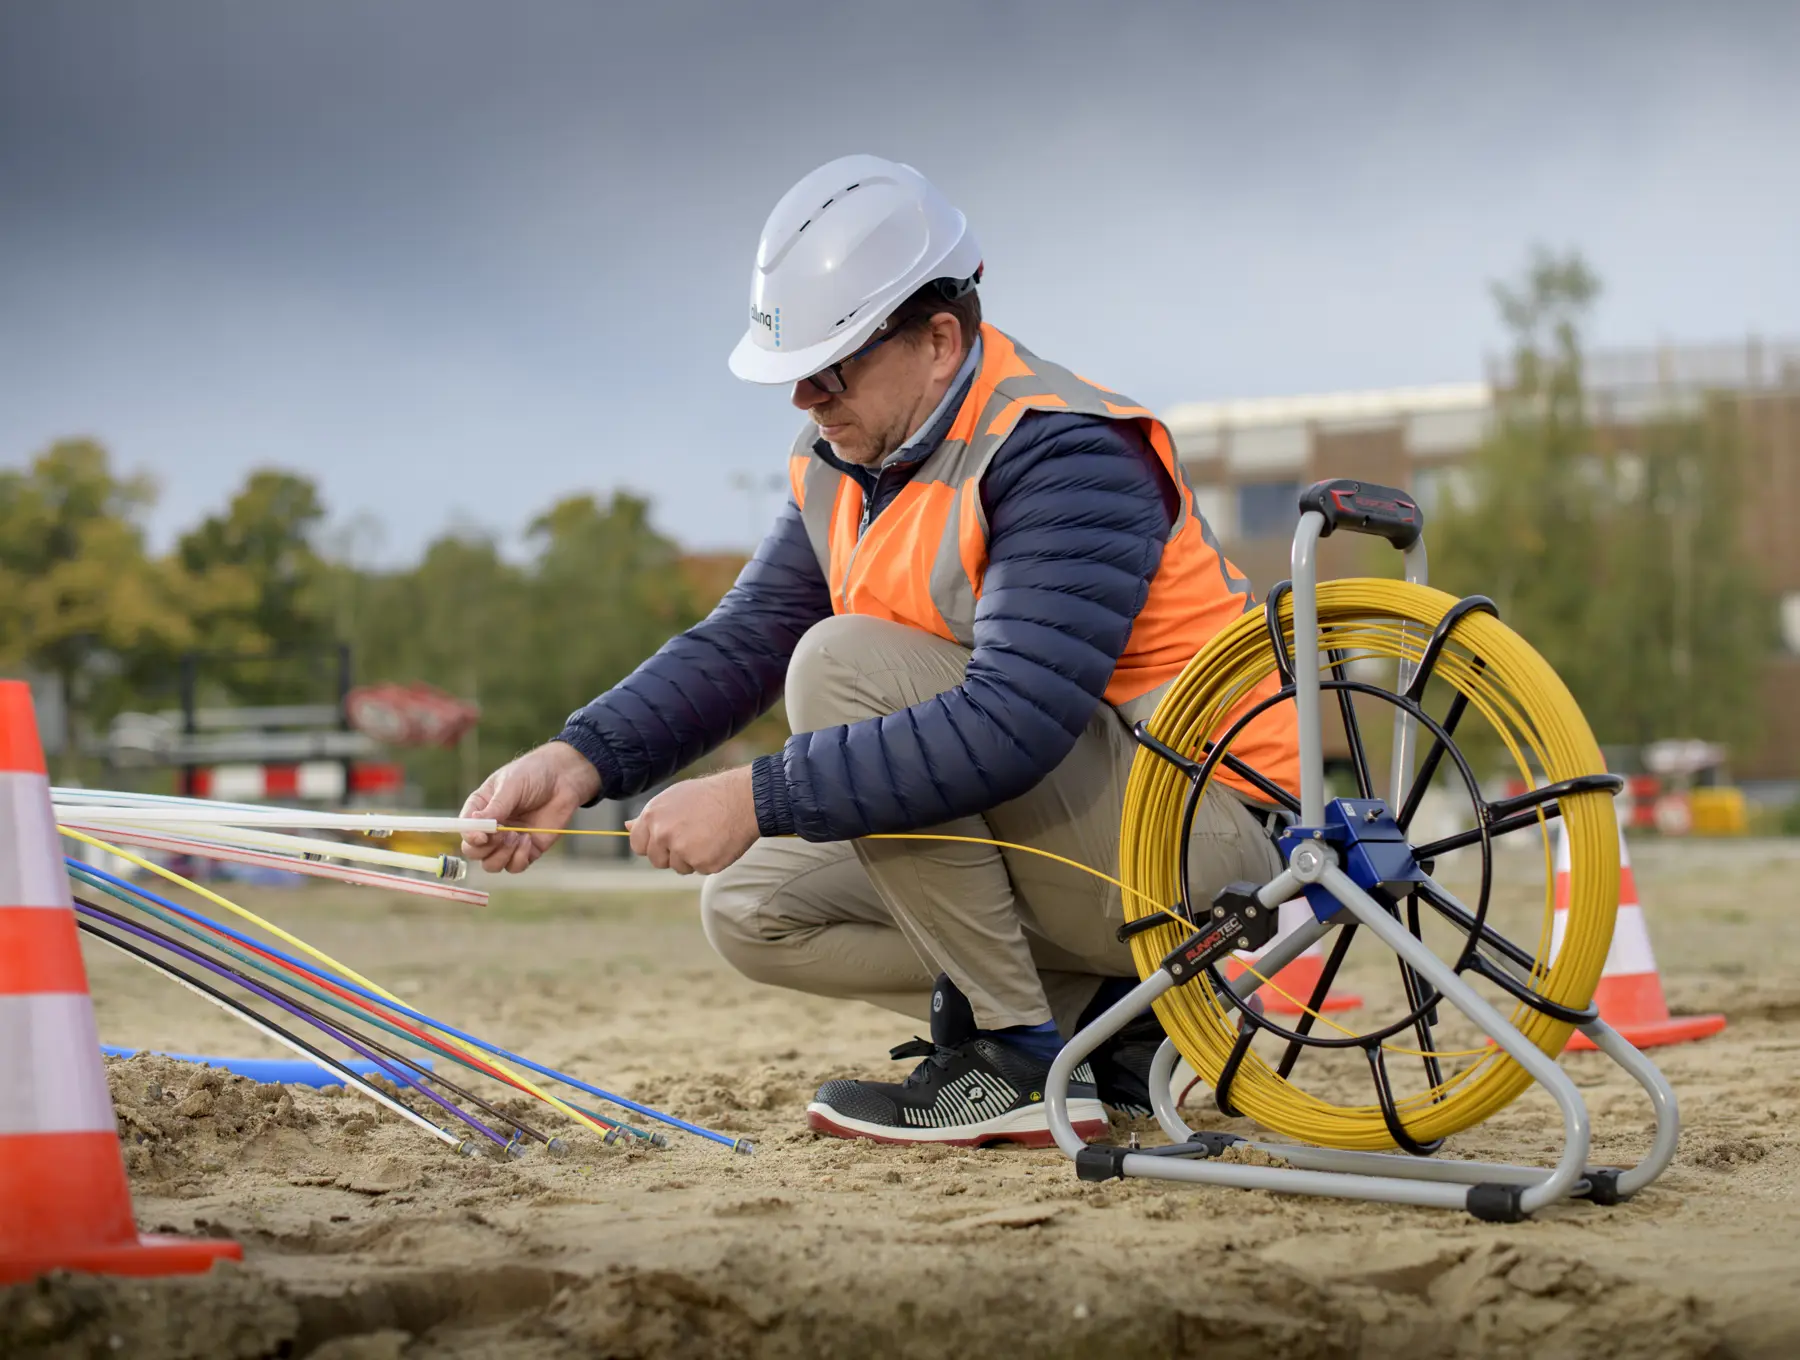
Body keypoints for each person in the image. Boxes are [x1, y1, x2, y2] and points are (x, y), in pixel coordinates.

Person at [460, 154, 1296, 1148]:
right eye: (794, 372)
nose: (806, 397)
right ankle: (1114, 1043)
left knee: (841, 664)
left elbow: (1012, 725)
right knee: (752, 903)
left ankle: (1015, 1056)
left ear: (939, 339)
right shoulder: (849, 462)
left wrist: (757, 795)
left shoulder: (1064, 451)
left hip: (1221, 869)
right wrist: (576, 761)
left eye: (834, 364)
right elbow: (740, 642)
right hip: (1099, 853)